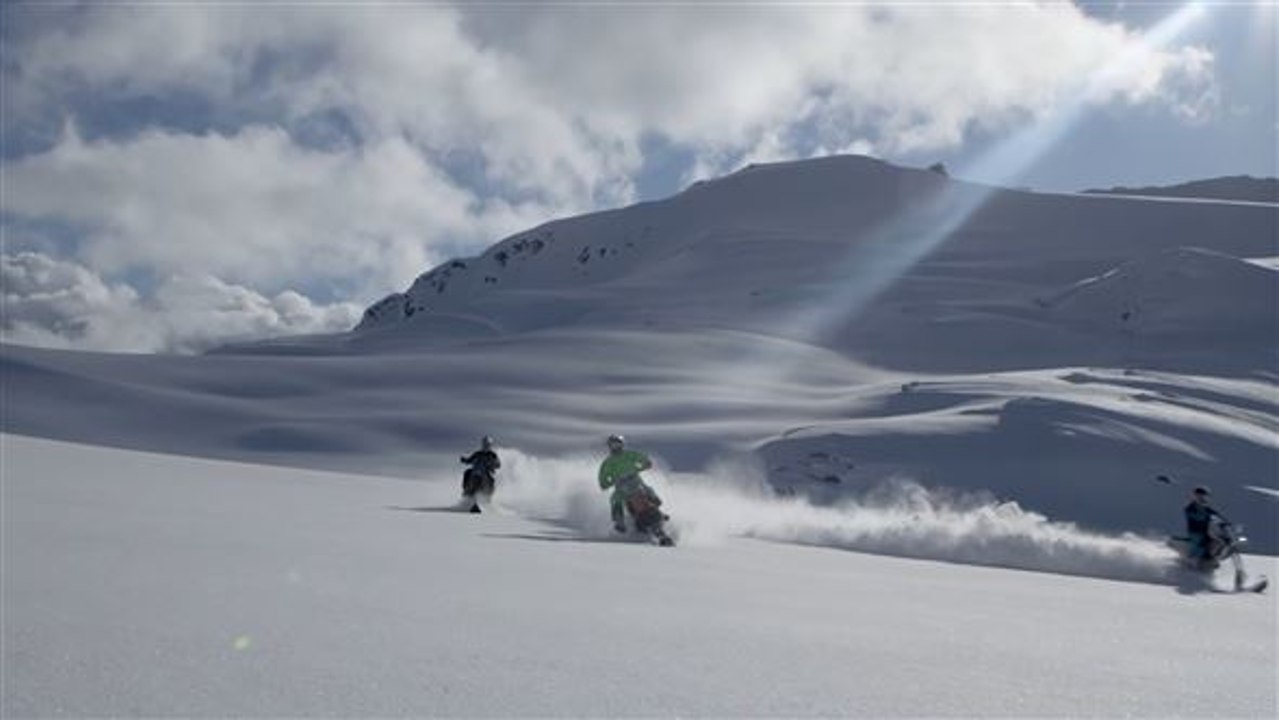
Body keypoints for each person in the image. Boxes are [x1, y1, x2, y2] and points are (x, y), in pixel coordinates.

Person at [597, 434, 655, 533]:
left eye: (618, 444)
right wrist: (606, 483)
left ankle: (656, 506)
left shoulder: (629, 454)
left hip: (635, 481)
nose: (615, 447)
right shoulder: (608, 463)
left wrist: (645, 464)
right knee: (615, 499)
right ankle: (620, 522)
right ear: (609, 446)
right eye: (613, 445)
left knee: (648, 489)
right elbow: (603, 477)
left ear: (622, 444)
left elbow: (642, 458)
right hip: (621, 487)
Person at [1184, 486, 1227, 569]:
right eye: (1199, 496)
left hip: (1205, 532)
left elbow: (1217, 515)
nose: (1201, 498)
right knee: (1200, 545)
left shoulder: (1206, 508)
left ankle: (1212, 559)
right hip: (1195, 532)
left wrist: (1224, 522)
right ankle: (1193, 562)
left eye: (1204, 496)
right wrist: (1206, 515)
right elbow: (1196, 517)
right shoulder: (1190, 507)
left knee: (1218, 542)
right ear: (1194, 496)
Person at [460, 436, 500, 513]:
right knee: (467, 472)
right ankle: (466, 490)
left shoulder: (492, 455)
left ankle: (489, 494)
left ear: (490, 445)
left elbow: (498, 464)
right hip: (476, 471)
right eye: (484, 444)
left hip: (486, 472)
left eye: (487, 444)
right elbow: (470, 459)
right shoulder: (478, 453)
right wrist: (465, 460)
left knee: (492, 478)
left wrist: (493, 464)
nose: (486, 446)